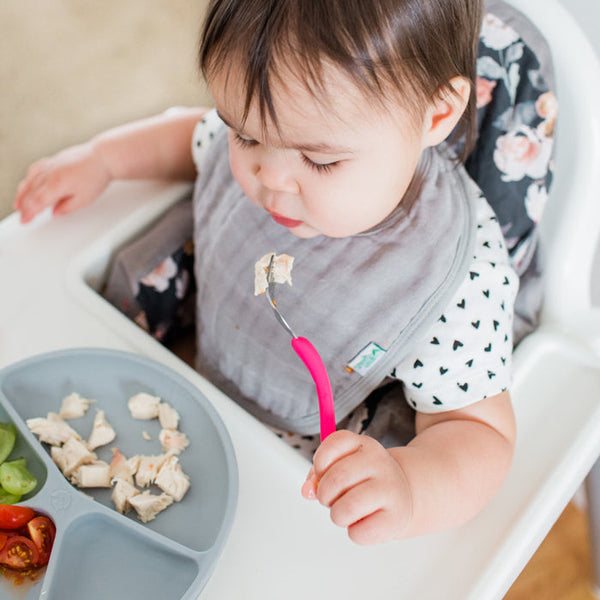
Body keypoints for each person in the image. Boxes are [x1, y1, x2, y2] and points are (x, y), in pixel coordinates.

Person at [13, 0, 554, 545]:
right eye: (243, 134)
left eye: (319, 160)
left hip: (300, 475)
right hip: (186, 395)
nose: (269, 178)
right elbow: (186, 137)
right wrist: (103, 159)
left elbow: (477, 431)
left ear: (437, 115)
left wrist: (409, 489)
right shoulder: (279, 128)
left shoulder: (453, 280)